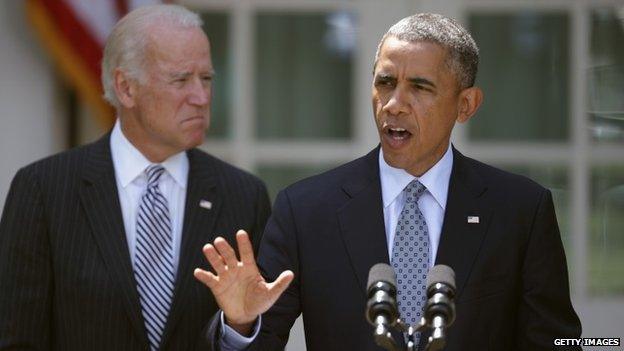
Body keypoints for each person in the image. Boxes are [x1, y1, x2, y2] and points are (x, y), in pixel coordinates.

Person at [194, 13, 582, 351]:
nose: (394, 103)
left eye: (419, 87)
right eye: (385, 83)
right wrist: (240, 326)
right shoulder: (306, 209)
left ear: (466, 104)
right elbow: (260, 341)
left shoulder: (520, 210)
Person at [0, 4, 284, 351]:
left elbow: (266, 339)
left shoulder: (243, 195)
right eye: (181, 79)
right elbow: (17, 339)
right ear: (126, 87)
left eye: (206, 78)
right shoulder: (43, 190)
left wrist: (239, 325)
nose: (201, 97)